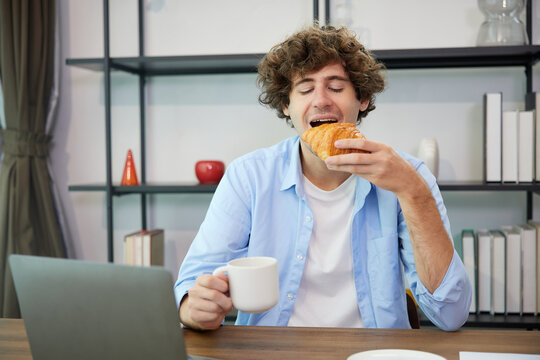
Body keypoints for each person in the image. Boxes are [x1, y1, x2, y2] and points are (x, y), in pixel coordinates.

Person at [174, 25, 472, 331]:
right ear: (287, 106)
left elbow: (450, 314)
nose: (320, 100)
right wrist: (192, 307)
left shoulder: (409, 176)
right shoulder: (249, 177)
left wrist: (413, 193)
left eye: (336, 87)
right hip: (271, 350)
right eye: (305, 89)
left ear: (363, 99)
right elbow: (191, 284)